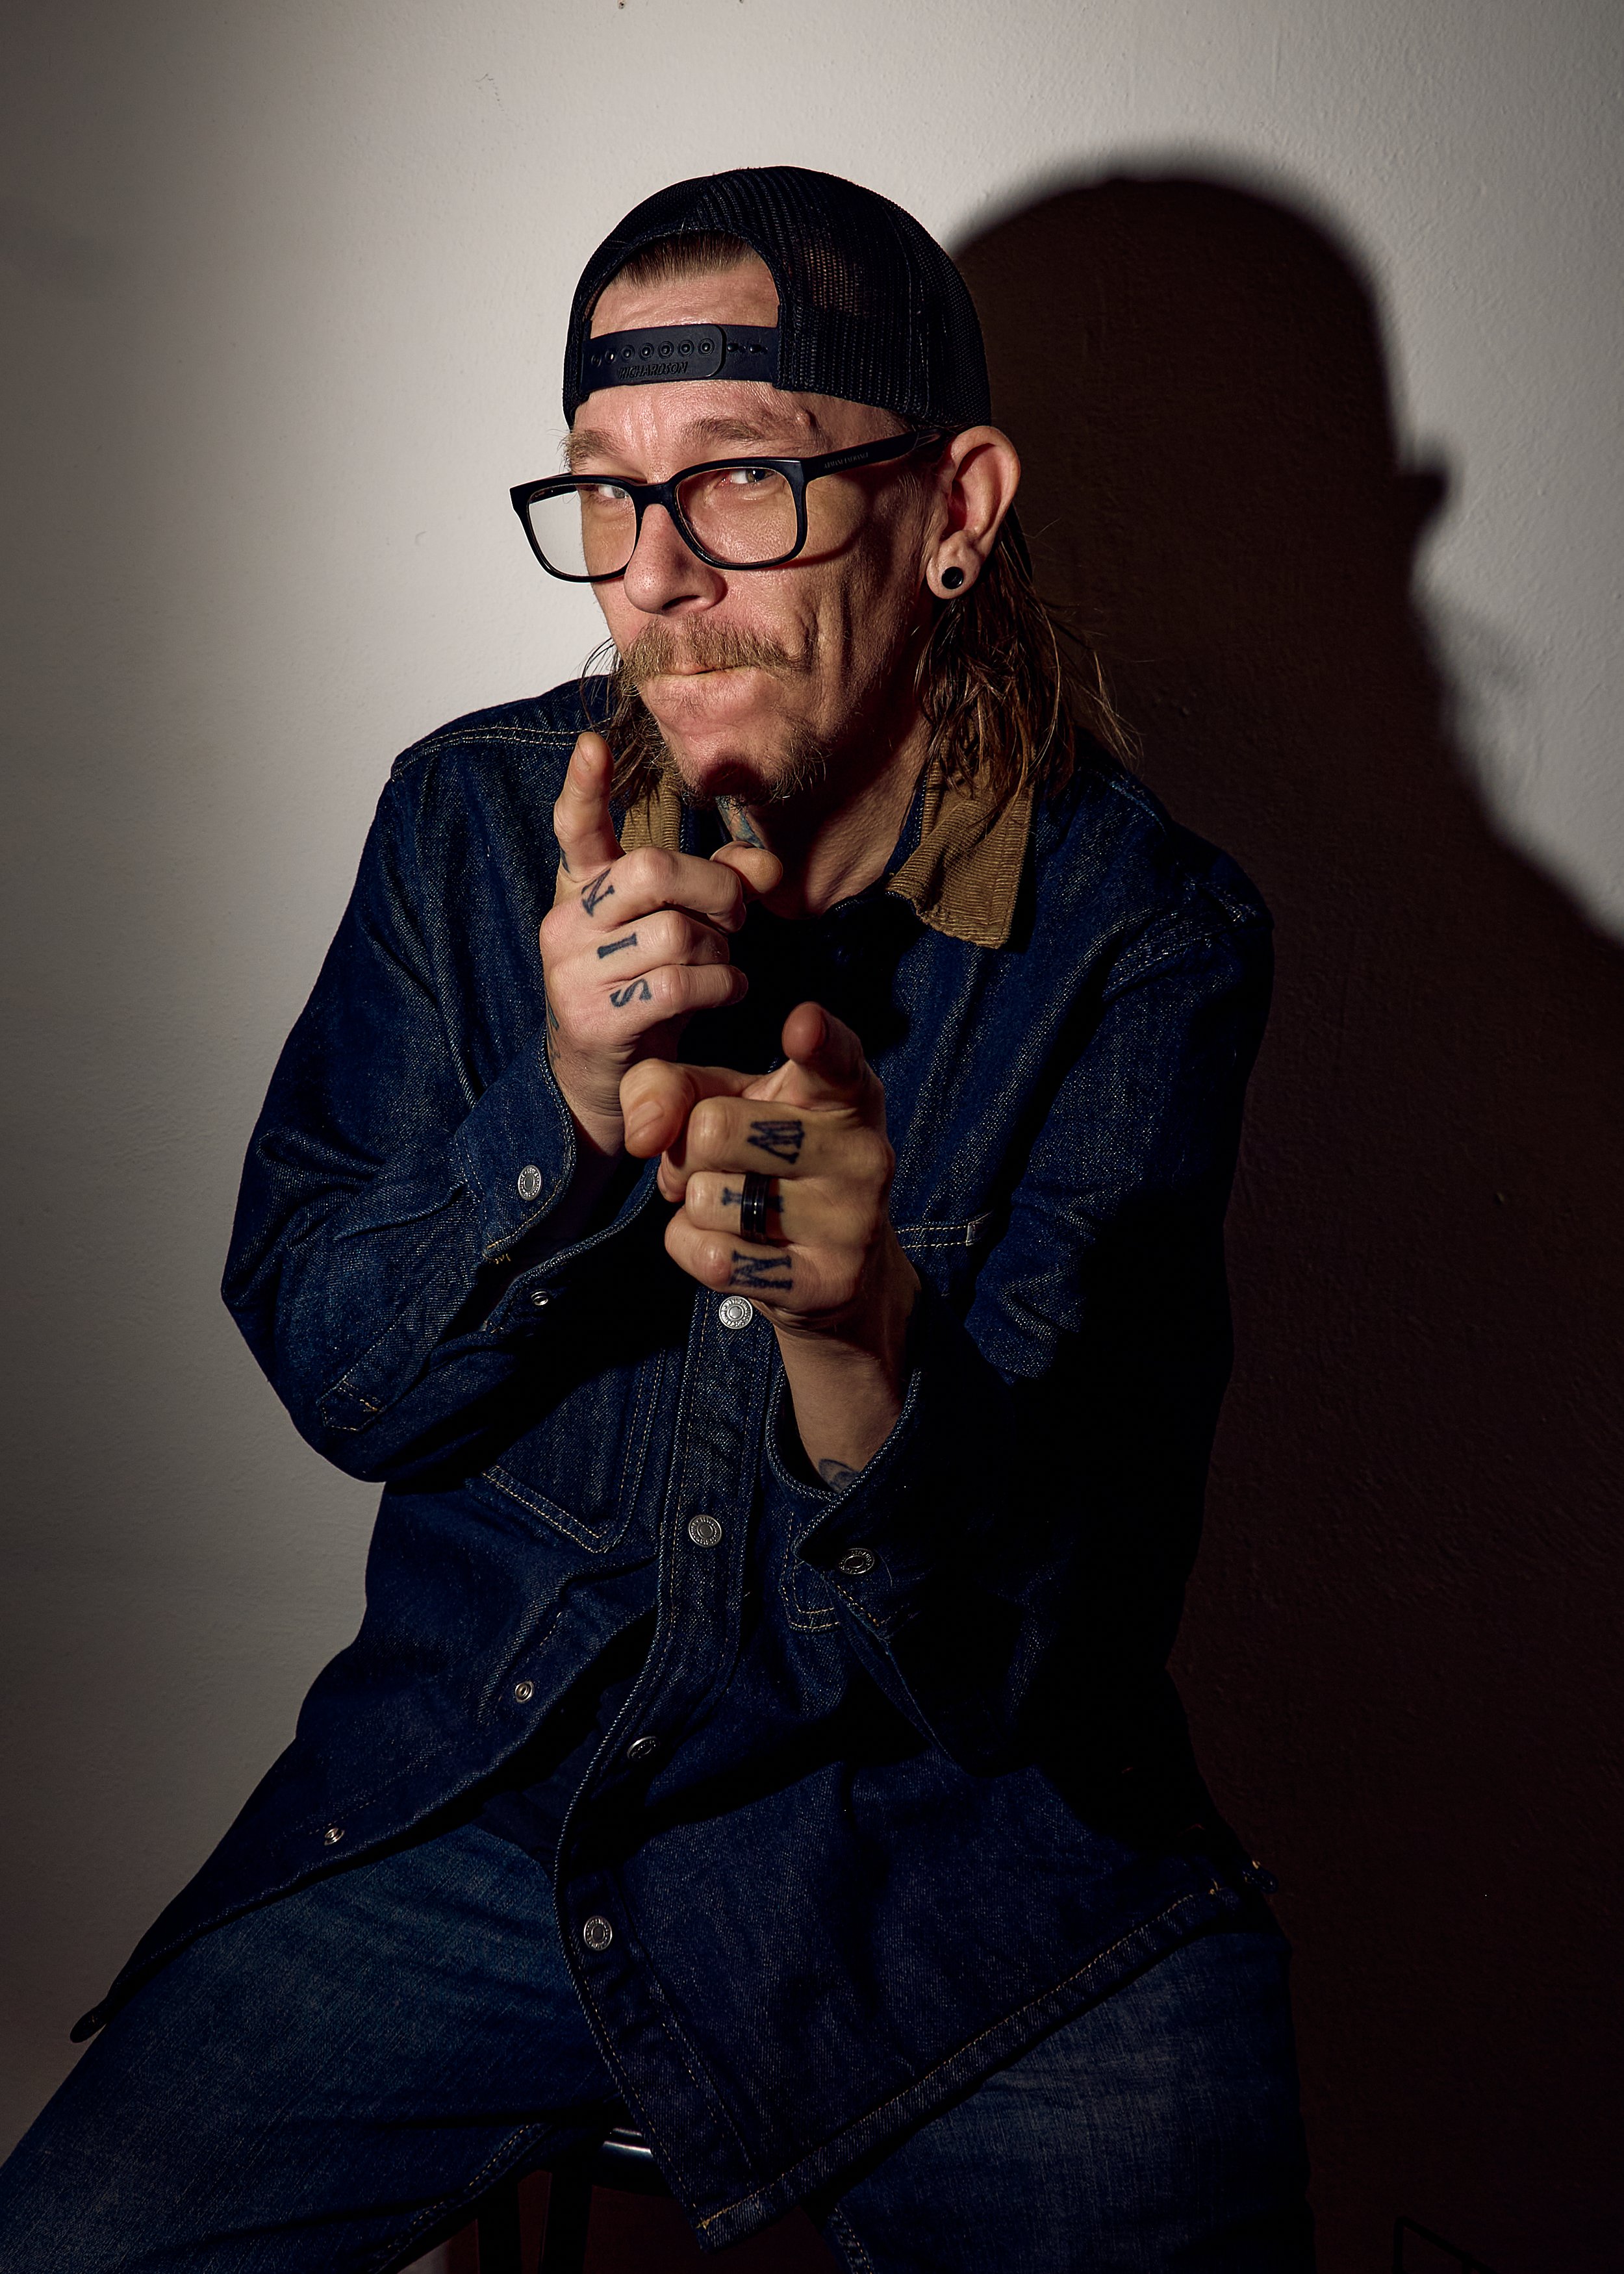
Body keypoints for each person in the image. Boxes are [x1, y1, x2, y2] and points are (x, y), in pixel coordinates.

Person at [0, 166, 1311, 2270]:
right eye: (606, 499)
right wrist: (566, 1119)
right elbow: (342, 1370)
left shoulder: (1136, 941)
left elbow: (1052, 1628)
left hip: (959, 1863)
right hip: (487, 1799)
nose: (659, 581)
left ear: (951, 506)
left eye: (740, 487)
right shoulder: (468, 822)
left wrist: (851, 1329)